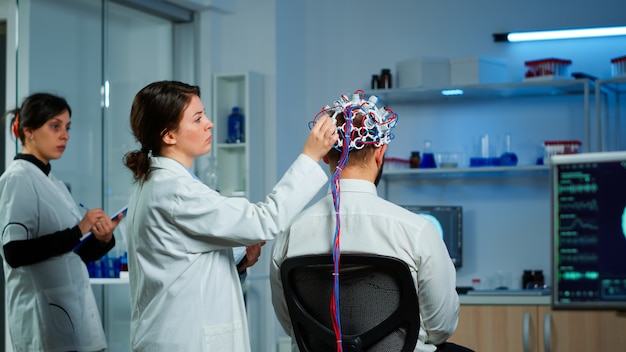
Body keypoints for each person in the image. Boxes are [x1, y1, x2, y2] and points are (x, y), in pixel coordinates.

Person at [122, 80, 338, 351]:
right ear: (169, 135)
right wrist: (310, 156)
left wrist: (238, 262)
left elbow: (182, 261)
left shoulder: (159, 183)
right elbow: (265, 220)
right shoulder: (174, 190)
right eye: (198, 118)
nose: (209, 123)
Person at [270, 90, 473, 352]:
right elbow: (441, 327)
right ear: (380, 153)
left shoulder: (289, 234)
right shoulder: (416, 231)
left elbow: (292, 325)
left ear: (325, 156)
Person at [0, 93, 123, 352]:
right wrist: (78, 229)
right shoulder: (18, 178)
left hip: (72, 315)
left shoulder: (53, 182)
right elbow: (14, 252)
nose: (65, 135)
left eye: (67, 127)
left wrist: (102, 239)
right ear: (29, 131)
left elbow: (73, 254)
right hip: (42, 321)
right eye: (55, 126)